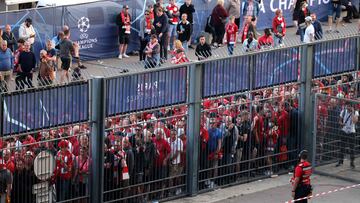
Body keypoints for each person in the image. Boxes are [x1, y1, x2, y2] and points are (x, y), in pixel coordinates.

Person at [336, 104, 359, 169]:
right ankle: (340, 161)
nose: (348, 107)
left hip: (352, 132)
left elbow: (355, 121)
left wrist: (352, 113)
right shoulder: (343, 112)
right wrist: (341, 123)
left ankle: (352, 162)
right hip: (344, 131)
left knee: (352, 148)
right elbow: (340, 121)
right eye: (347, 106)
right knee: (342, 147)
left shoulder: (355, 112)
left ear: (352, 106)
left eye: (349, 106)